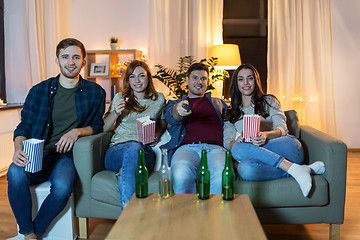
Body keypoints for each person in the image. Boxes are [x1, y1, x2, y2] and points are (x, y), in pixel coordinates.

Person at [7, 38, 106, 240]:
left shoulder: (95, 93)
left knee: (62, 188)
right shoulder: (39, 91)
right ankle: (28, 233)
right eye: (65, 57)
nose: (71, 62)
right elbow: (24, 126)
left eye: (76, 57)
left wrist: (77, 131)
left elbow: (98, 125)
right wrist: (18, 148)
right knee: (15, 174)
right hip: (37, 154)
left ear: (84, 61)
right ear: (57, 61)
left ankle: (37, 230)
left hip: (65, 157)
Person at [223, 63, 325, 197]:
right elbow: (227, 142)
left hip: (287, 149)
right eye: (241, 79)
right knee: (244, 167)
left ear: (256, 81)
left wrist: (266, 135)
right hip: (259, 159)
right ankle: (298, 170)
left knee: (240, 149)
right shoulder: (230, 113)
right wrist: (236, 141)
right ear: (236, 83)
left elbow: (282, 129)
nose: (246, 83)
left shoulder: (269, 100)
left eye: (250, 78)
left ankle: (295, 168)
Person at [103, 60, 166, 209]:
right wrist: (115, 113)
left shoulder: (159, 99)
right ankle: (128, 210)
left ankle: (123, 174)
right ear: (127, 80)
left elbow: (163, 123)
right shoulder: (120, 98)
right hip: (116, 151)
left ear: (148, 78)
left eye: (141, 76)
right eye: (132, 76)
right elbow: (105, 128)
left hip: (145, 153)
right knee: (132, 147)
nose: (137, 80)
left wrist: (157, 134)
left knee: (136, 148)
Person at [161, 62, 228, 194]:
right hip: (186, 149)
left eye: (203, 78)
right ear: (187, 80)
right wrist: (178, 109)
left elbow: (233, 121)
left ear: (207, 82)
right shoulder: (175, 103)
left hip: (216, 149)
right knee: (180, 175)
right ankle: (188, 214)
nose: (199, 82)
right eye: (195, 78)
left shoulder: (218, 103)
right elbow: (172, 117)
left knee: (221, 177)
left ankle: (214, 214)